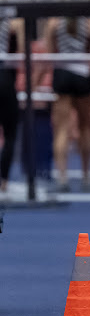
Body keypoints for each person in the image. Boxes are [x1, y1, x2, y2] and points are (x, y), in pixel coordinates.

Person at [44, 15, 90, 191]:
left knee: (61, 129)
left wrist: (36, 81)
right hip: (83, 74)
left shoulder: (53, 23)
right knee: (85, 126)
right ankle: (86, 176)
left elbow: (49, 55)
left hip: (62, 74)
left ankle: (62, 177)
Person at [0, 18, 24, 195]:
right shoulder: (15, 24)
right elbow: (23, 51)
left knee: (10, 134)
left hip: (6, 77)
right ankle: (3, 180)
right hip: (5, 78)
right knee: (10, 134)